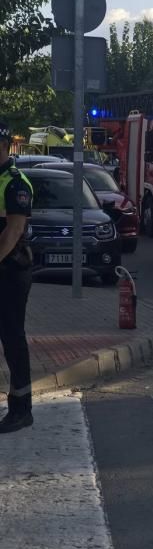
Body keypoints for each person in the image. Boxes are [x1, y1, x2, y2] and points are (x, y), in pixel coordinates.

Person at [0, 122, 34, 432]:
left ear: (5, 145)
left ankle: (22, 408)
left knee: (12, 338)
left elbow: (13, 232)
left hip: (11, 270)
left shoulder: (16, 183)